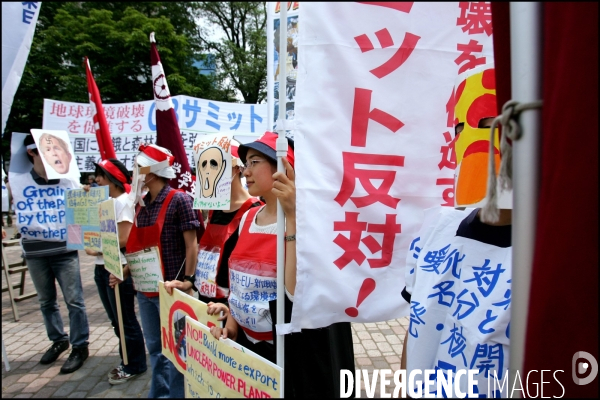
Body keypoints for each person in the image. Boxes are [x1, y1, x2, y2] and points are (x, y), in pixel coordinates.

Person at [209, 132, 355, 397]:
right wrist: (232, 324)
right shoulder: (248, 218)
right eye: (245, 163)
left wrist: (292, 216)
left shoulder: (309, 223)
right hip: (248, 351)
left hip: (286, 356)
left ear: (284, 168)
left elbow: (293, 293)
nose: (245, 171)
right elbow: (238, 283)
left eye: (254, 162)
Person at [400, 65, 512, 398]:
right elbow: (415, 326)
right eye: (459, 127)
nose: (469, 136)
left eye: (489, 125)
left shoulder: (552, 256)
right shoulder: (436, 229)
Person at [123, 143, 201, 398]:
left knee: (178, 350)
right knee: (156, 348)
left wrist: (188, 280)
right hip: (146, 292)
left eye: (138, 168)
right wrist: (125, 270)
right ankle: (160, 394)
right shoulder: (142, 205)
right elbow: (141, 249)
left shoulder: (179, 199)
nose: (135, 174)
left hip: (172, 291)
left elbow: (192, 245)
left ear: (153, 172)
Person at [13, 134, 89, 373]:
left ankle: (80, 345)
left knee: (74, 300)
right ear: (31, 153)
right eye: (44, 151)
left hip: (65, 251)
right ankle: (58, 340)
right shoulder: (18, 182)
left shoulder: (68, 180)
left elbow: (80, 211)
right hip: (35, 252)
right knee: (46, 301)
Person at [83, 159, 147, 384]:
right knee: (116, 320)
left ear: (112, 178)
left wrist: (96, 248)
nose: (96, 180)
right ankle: (128, 360)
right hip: (104, 267)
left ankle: (134, 364)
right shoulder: (109, 202)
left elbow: (124, 238)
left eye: (100, 175)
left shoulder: (121, 202)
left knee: (124, 319)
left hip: (117, 268)